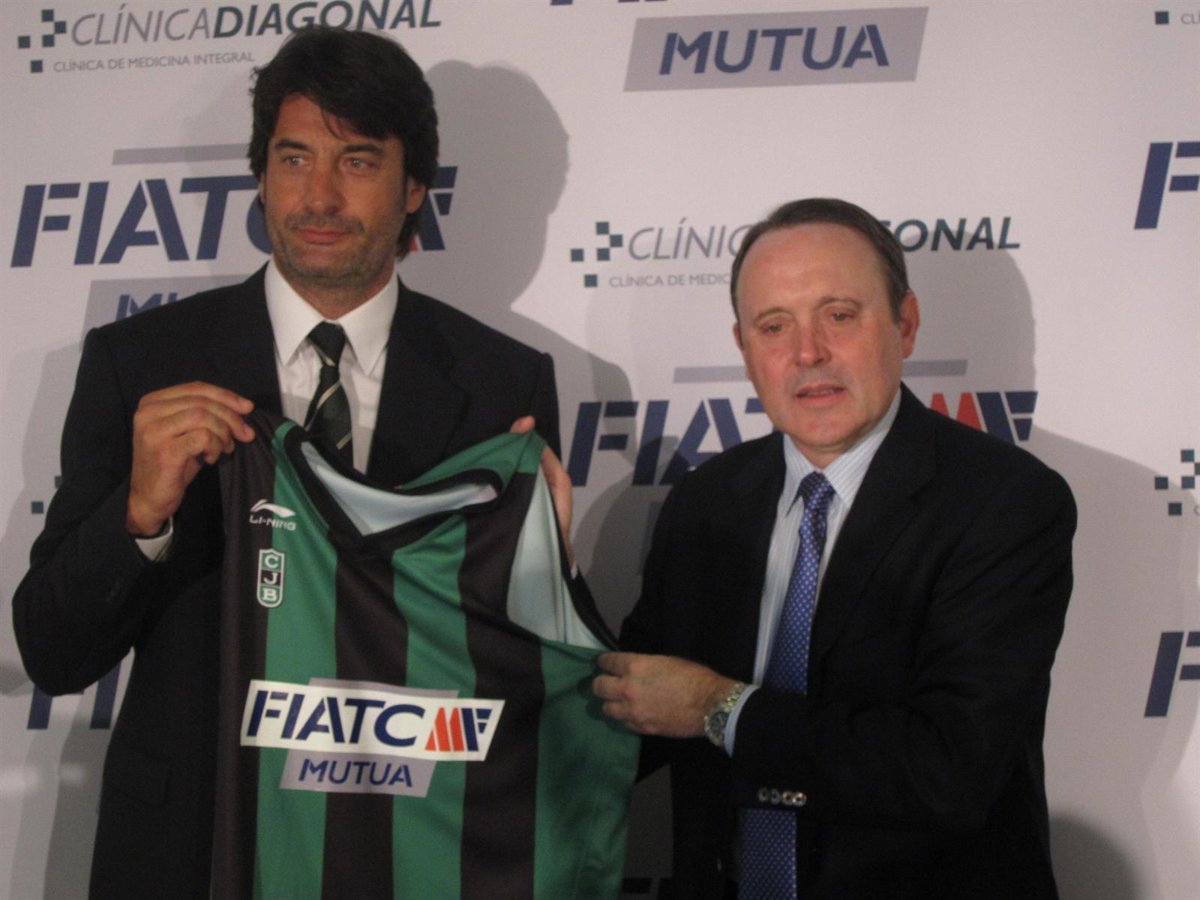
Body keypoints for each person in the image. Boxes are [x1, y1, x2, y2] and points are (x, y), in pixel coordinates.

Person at [13, 26, 560, 898]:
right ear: (260, 175)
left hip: (408, 850)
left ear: (414, 188)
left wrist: (541, 575)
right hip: (192, 851)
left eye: (358, 161)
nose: (320, 196)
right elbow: (52, 652)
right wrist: (139, 516)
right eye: (294, 158)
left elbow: (528, 673)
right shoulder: (142, 363)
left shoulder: (503, 386)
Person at [593, 198, 1076, 899]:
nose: (807, 353)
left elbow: (947, 770)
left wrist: (719, 707)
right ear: (744, 348)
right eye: (774, 326)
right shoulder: (706, 501)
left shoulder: (1004, 502)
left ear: (905, 324)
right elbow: (631, 711)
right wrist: (527, 553)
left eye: (840, 316)